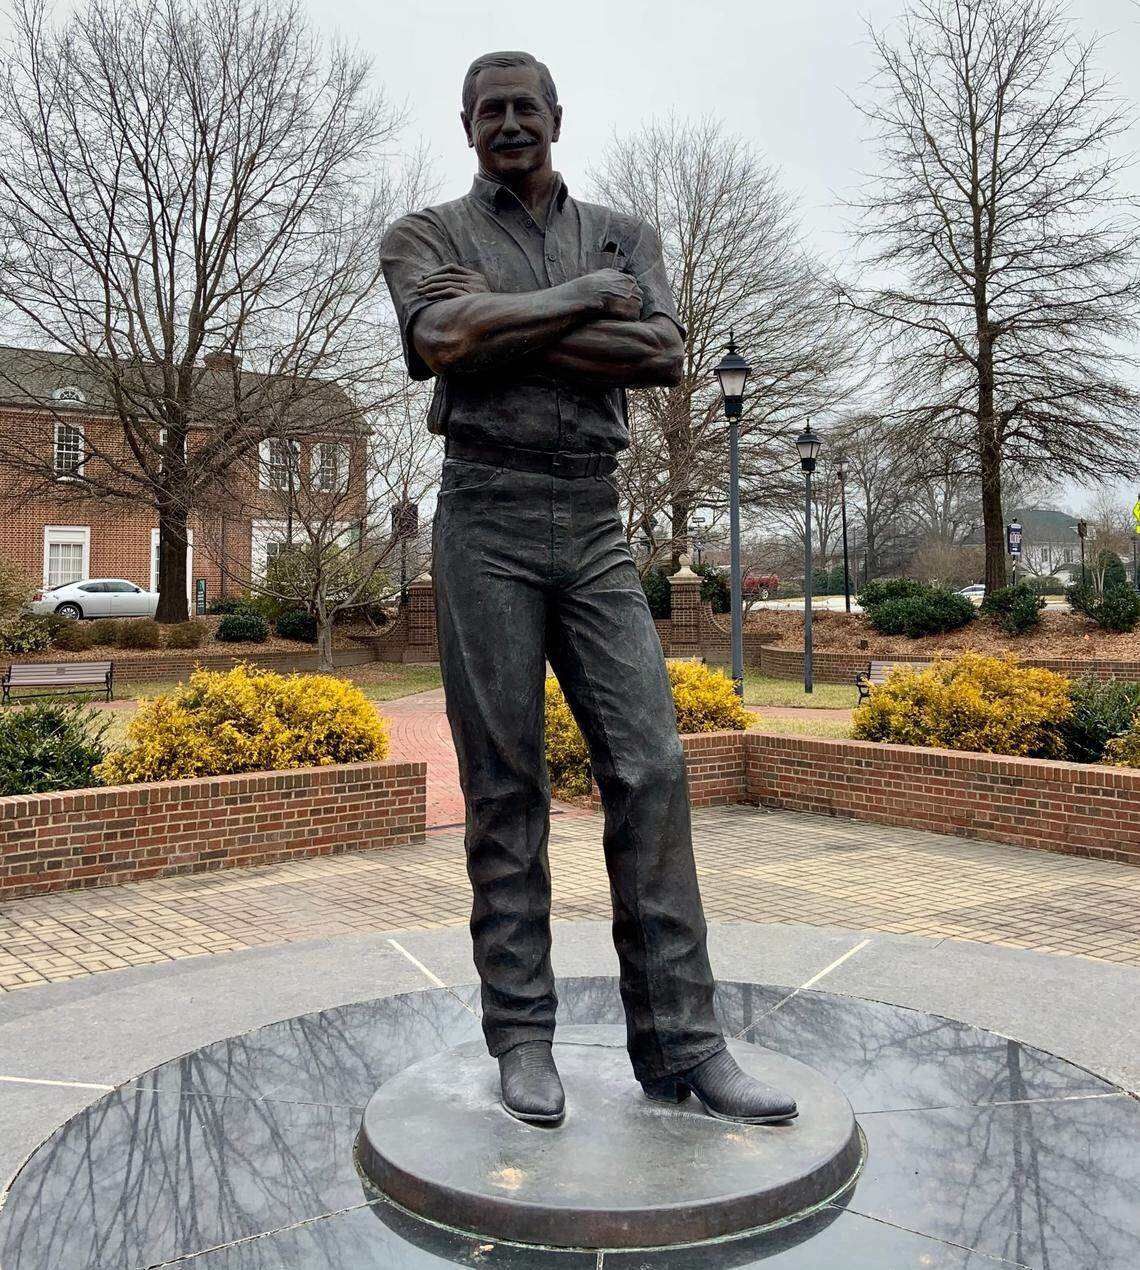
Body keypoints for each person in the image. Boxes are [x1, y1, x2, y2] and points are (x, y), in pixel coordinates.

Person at [381, 50, 796, 1128]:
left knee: (652, 765)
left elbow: (660, 354)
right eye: (489, 110)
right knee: (504, 783)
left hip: (595, 515)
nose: (509, 123)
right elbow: (440, 337)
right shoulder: (424, 235)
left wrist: (504, 327)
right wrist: (577, 305)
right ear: (466, 126)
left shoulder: (626, 234)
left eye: (525, 107)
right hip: (486, 514)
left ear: (557, 117)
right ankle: (522, 1037)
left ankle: (683, 1042)